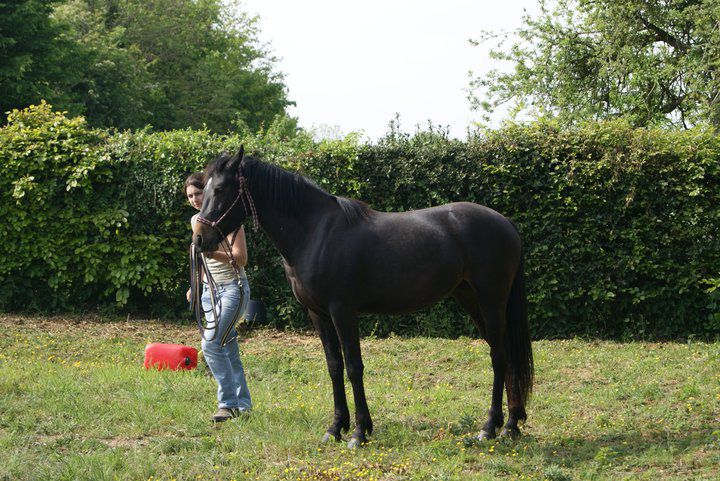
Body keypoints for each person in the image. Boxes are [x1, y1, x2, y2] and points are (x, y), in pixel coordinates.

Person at [184, 172, 252, 423]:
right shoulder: (196, 221)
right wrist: (195, 285)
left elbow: (241, 259)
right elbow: (201, 259)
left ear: (209, 192)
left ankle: (227, 404)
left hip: (233, 289)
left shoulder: (230, 221)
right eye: (190, 196)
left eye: (198, 193)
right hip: (209, 293)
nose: (195, 199)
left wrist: (211, 253)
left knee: (211, 344)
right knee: (228, 349)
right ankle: (243, 405)